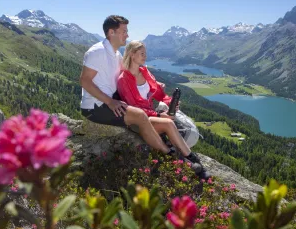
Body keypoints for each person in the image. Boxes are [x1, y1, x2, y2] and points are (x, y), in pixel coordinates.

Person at [79, 16, 209, 179]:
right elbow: (84, 80)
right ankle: (170, 154)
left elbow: (131, 75)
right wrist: (110, 101)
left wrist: (153, 84)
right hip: (95, 107)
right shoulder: (97, 51)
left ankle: (190, 157)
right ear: (111, 32)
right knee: (140, 115)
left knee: (160, 121)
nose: (127, 35)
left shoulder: (116, 55)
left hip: (108, 103)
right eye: (124, 31)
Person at [117, 40, 209, 179]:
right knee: (168, 123)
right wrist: (160, 115)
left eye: (145, 53)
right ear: (131, 54)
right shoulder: (123, 79)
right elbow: (134, 108)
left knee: (169, 122)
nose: (145, 56)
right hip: (137, 120)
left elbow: (159, 94)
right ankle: (191, 160)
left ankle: (191, 160)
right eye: (142, 53)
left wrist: (170, 103)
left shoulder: (145, 72)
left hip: (150, 116)